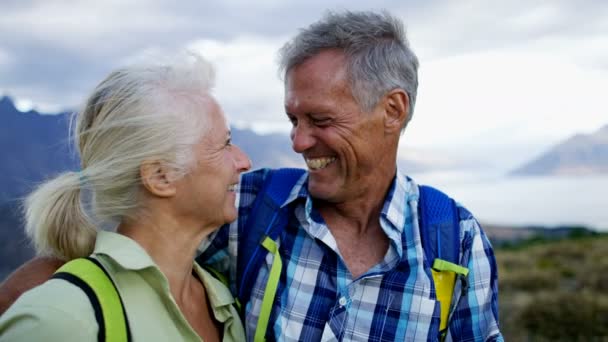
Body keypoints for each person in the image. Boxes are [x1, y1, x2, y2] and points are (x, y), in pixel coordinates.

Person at [1, 10, 502, 342]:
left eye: (321, 121)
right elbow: (134, 249)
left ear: (392, 110)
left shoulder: (454, 244)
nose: (298, 142)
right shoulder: (251, 208)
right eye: (293, 119)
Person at [0, 53, 249, 341]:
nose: (244, 161)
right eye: (225, 144)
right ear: (160, 176)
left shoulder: (223, 300)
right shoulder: (60, 320)